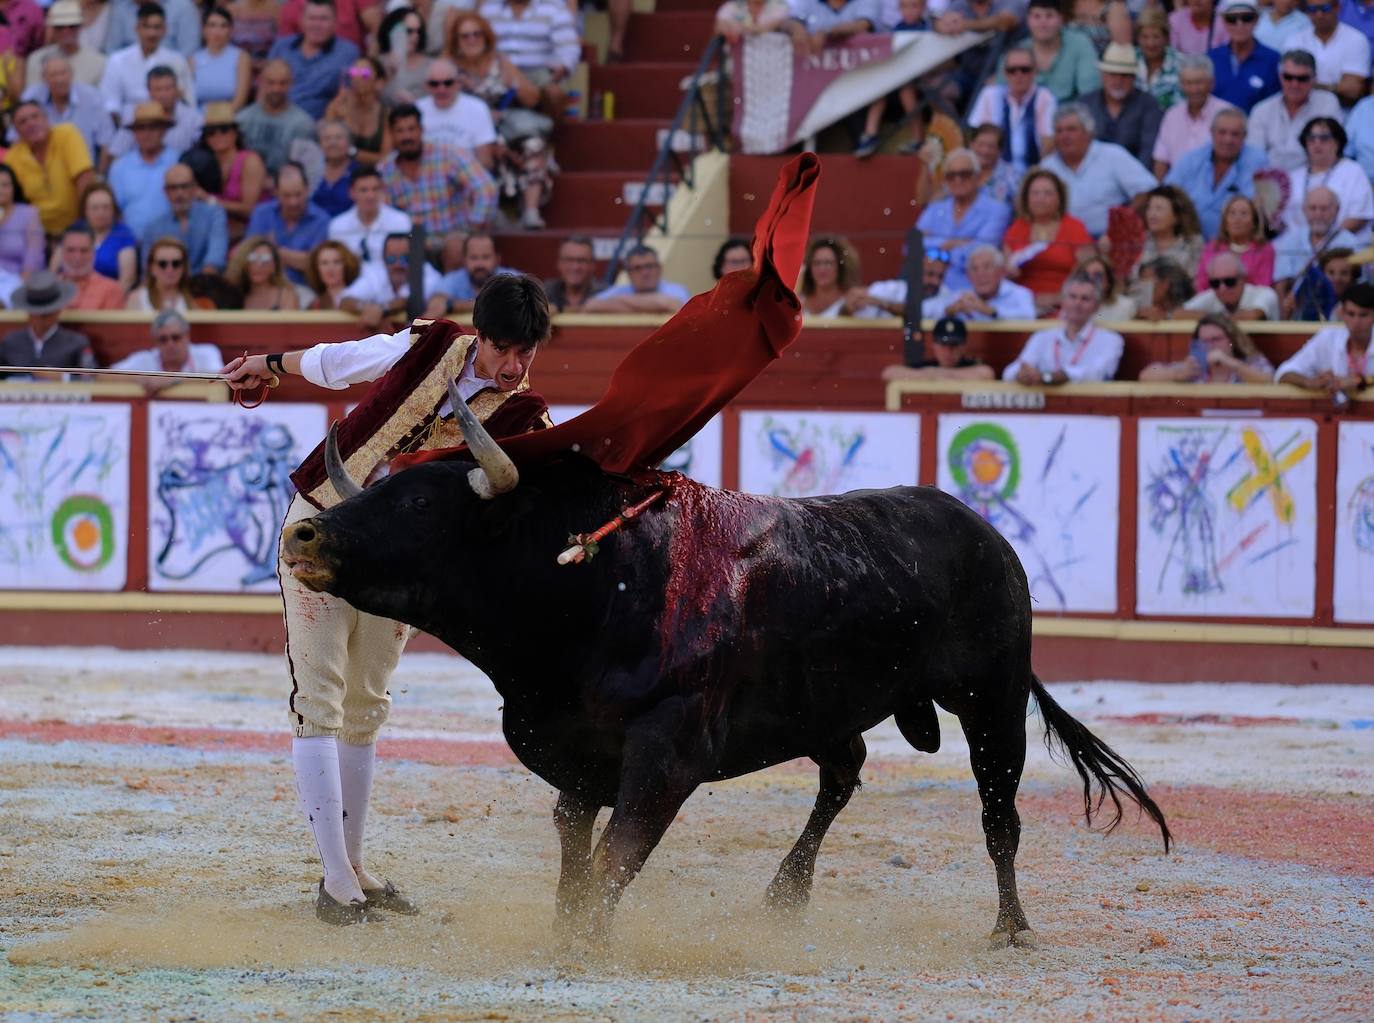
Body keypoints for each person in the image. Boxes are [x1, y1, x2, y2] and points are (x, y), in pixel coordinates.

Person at [220, 273, 552, 926]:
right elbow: (347, 360)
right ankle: (337, 880)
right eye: (503, 349)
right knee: (318, 694)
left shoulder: (525, 418)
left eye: (527, 354)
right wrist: (268, 364)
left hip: (401, 562)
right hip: (323, 525)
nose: (513, 366)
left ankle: (354, 866)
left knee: (365, 703)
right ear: (477, 335)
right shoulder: (433, 343)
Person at [448, 12, 555, 231]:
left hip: (504, 124)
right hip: (468, 130)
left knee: (532, 144)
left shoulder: (499, 61)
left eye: (477, 34)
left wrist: (515, 85)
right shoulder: (449, 67)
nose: (471, 40)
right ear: (456, 41)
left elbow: (533, 97)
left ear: (486, 37)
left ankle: (531, 210)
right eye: (465, 36)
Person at [379, 104, 497, 239]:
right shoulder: (385, 170)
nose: (407, 136)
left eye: (411, 129)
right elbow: (383, 213)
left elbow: (486, 188)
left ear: (422, 130)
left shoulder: (448, 154)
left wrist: (473, 227)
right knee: (407, 249)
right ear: (391, 134)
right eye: (400, 131)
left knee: (455, 246)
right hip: (412, 239)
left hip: (452, 234)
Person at [1039, 104, 1156, 237]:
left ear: (1089, 133)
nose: (1064, 136)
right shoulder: (1048, 166)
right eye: (1059, 131)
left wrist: (1122, 224)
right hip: (1064, 240)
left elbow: (1147, 190)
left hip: (1111, 239)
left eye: (1071, 130)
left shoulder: (1113, 155)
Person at [1002, 271, 1125, 383]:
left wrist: (1049, 377)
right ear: (1063, 301)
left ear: (1096, 307)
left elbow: (1096, 373)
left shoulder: (1111, 340)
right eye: (1072, 297)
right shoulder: (1042, 336)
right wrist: (1021, 374)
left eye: (1085, 299)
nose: (1077, 303)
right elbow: (1010, 372)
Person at [917, 148, 1011, 293]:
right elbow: (912, 246)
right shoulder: (935, 209)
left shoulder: (998, 210)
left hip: (972, 290)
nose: (958, 180)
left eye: (965, 174)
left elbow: (982, 251)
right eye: (951, 175)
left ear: (978, 177)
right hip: (930, 288)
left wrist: (935, 250)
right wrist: (954, 244)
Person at [1164, 107, 1268, 239]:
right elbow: (1167, 196)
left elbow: (1260, 210)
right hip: (1189, 241)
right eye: (1222, 133)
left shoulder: (1259, 162)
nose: (1228, 140)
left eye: (1235, 134)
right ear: (1211, 133)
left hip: (1236, 244)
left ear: (1245, 136)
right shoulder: (1191, 159)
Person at [1002, 167, 1095, 308]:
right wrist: (1008, 272)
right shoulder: (1016, 228)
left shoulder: (1075, 227)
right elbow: (1002, 275)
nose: (1041, 198)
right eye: (1035, 193)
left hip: (1066, 304)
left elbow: (1090, 273)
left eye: (1048, 194)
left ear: (1059, 198)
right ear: (1026, 198)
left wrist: (1059, 298)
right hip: (1022, 305)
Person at [3, 99, 95, 237]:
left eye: (35, 116)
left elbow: (85, 178)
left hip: (78, 225)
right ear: (16, 131)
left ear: (47, 119)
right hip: (36, 235)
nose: (31, 124)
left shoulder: (67, 134)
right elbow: (11, 201)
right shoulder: (13, 157)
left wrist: (81, 224)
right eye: (23, 122)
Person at [967, 46, 1058, 180]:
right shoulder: (990, 96)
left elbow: (1048, 144)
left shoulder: (1045, 98)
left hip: (1033, 172)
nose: (1018, 75)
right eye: (1012, 70)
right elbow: (976, 140)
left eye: (1025, 70)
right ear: (1004, 73)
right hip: (994, 173)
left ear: (1035, 71)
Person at [100, 2, 195, 127]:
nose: (151, 33)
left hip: (170, 125)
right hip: (128, 126)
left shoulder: (177, 60)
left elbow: (188, 102)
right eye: (146, 27)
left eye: (156, 27)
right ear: (136, 28)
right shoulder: (117, 61)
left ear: (164, 30)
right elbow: (110, 103)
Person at [1247, 49, 1343, 171]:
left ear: (1314, 79)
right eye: (1288, 77)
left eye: (1302, 78)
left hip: (1314, 177)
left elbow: (1331, 149)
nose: (1294, 84)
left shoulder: (1327, 103)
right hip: (1270, 181)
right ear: (1280, 77)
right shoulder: (1262, 110)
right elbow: (1254, 157)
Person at [1274, 280, 1374, 396]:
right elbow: (1283, 373)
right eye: (1351, 314)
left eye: (1363, 315)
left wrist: (1359, 381)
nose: (1356, 322)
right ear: (1342, 313)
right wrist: (1309, 382)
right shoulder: (1328, 338)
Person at [477, 0, 579, 113]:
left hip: (539, 73)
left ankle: (548, 127)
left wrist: (563, 67)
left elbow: (568, 47)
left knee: (554, 92)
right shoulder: (489, 9)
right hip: (500, 72)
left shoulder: (553, 9)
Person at [267, 0, 361, 120]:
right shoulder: (282, 47)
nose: (317, 24)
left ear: (335, 23)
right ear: (302, 21)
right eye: (312, 18)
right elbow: (264, 87)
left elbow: (361, 81)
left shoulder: (348, 52)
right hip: (276, 118)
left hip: (321, 123)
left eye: (323, 19)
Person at [1151, 54, 1237, 178]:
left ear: (1211, 83)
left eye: (1199, 82)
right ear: (1180, 84)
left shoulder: (1228, 114)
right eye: (1188, 83)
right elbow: (1161, 161)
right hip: (1177, 190)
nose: (1194, 89)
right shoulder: (1172, 115)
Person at [1287, 116, 1374, 239]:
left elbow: (1359, 217)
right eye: (1311, 139)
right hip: (1299, 248)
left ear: (1337, 143)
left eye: (1324, 138)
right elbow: (1286, 222)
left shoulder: (1353, 171)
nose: (1317, 143)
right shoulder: (1293, 177)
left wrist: (1325, 242)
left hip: (1345, 248)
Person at [339, 230, 448, 327]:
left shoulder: (429, 274)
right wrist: (364, 308)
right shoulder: (376, 272)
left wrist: (382, 310)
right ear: (384, 260)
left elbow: (409, 300)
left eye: (406, 258)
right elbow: (345, 300)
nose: (398, 265)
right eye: (391, 259)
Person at [245, 162, 330, 285]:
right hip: (263, 284)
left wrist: (275, 251)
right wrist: (297, 258)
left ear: (307, 190)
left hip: (302, 288)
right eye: (286, 196)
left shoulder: (322, 220)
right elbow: (250, 254)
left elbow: (314, 264)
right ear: (276, 193)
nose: (293, 202)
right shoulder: (262, 213)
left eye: (298, 194)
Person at [21, 52, 114, 163]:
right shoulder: (31, 97)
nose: (59, 80)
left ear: (72, 74)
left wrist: (99, 176)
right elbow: (15, 138)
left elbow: (106, 141)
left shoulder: (92, 97)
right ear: (44, 78)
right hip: (42, 171)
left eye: (63, 73)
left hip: (84, 170)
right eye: (53, 75)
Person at [107, 100, 180, 240]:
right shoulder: (120, 168)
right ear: (134, 133)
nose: (147, 134)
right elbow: (114, 211)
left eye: (153, 128)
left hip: (172, 244)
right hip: (131, 243)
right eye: (141, 128)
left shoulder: (178, 161)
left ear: (163, 130)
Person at [1274, 185, 1359, 304]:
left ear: (1337, 210)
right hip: (1297, 308)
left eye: (1324, 209)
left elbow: (1357, 284)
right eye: (1313, 208)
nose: (1318, 214)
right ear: (1304, 210)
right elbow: (1281, 282)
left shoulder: (1351, 242)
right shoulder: (1290, 240)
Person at [104, 64, 204, 165]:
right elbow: (117, 153)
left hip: (180, 172)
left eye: (167, 88)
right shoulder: (135, 115)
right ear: (149, 92)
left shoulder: (194, 118)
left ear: (177, 90)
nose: (163, 95)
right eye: (158, 89)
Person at [0, 271, 94, 378]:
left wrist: (62, 378)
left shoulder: (76, 343)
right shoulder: (11, 342)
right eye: (36, 314)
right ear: (29, 313)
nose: (40, 320)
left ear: (57, 312)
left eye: (46, 314)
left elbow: (90, 379)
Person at [1082, 43, 1162, 166]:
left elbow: (1148, 149)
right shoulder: (1085, 104)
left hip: (1134, 175)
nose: (1118, 81)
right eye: (1112, 74)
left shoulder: (1148, 105)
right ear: (1103, 75)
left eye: (1125, 76)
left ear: (1134, 78)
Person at [193, 101, 266, 236]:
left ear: (235, 133)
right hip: (215, 231)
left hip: (248, 232)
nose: (218, 135)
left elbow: (250, 209)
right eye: (211, 132)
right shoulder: (204, 163)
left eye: (224, 129)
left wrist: (209, 200)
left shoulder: (250, 161)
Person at [142, 162, 228, 274]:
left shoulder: (214, 214)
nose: (180, 193)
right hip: (168, 287)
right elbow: (148, 270)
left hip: (205, 284)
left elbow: (214, 261)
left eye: (185, 186)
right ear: (165, 192)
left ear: (195, 187)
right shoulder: (154, 227)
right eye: (173, 188)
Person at [235, 58, 317, 175]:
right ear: (260, 82)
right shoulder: (243, 119)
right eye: (271, 83)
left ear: (291, 84)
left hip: (286, 187)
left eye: (282, 83)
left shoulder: (303, 124)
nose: (276, 89)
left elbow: (304, 170)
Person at [1139, 311, 1275, 381]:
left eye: (1216, 339)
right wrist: (1177, 373)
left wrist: (1229, 363)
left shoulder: (1250, 362)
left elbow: (1269, 379)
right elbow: (1146, 374)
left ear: (1231, 340)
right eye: (1204, 341)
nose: (1210, 346)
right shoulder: (1194, 368)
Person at [110, 308, 223, 391]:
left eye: (176, 337)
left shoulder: (207, 352)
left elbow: (220, 378)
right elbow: (105, 374)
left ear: (187, 336)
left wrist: (173, 379)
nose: (170, 344)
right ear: (155, 342)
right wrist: (140, 379)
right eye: (163, 339)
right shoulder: (145, 359)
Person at [415, 56, 496, 163]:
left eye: (448, 83)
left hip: (466, 175)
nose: (441, 89)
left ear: (458, 84)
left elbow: (485, 160)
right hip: (427, 175)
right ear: (426, 86)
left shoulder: (477, 109)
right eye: (434, 84)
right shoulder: (416, 109)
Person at [1288, 0, 1369, 105]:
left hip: (1342, 113)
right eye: (1313, 10)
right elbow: (1288, 85)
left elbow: (1352, 91)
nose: (1319, 14)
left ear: (1337, 8)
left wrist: (1306, 84)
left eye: (1325, 8)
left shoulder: (1356, 39)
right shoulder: (1294, 40)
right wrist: (1335, 87)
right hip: (1300, 109)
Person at [923, 245, 1036, 320]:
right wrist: (950, 310)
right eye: (974, 269)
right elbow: (924, 310)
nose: (980, 274)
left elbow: (1028, 316)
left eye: (987, 267)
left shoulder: (1020, 294)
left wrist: (989, 310)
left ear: (1001, 272)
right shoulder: (963, 297)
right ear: (968, 276)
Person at [328, 165, 410, 266]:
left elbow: (409, 262)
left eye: (375, 189)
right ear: (352, 193)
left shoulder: (401, 222)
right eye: (363, 190)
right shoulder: (337, 226)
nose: (370, 196)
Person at [1208, 0, 1280, 112]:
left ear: (1256, 20)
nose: (1239, 24)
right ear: (1224, 22)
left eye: (1246, 18)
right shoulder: (1211, 58)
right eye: (1232, 19)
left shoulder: (1273, 60)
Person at [1024, 0, 1100, 102]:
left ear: (1061, 19)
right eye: (1037, 16)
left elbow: (1090, 92)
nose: (1043, 22)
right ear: (1027, 20)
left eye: (1049, 16)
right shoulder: (1018, 51)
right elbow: (1001, 91)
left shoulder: (1080, 44)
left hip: (1072, 113)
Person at [880, 316, 996, 382]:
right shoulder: (925, 365)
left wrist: (932, 374)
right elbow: (888, 373)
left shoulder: (971, 365)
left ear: (964, 346)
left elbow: (987, 374)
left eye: (954, 345)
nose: (948, 351)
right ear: (934, 345)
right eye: (943, 345)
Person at [322, 56, 392, 166]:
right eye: (354, 72)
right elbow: (325, 146)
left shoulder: (386, 115)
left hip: (373, 177)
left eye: (365, 74)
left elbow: (386, 159)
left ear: (379, 82)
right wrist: (338, 120)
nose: (357, 78)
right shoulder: (337, 106)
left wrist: (350, 151)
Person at [584, 242, 691, 313]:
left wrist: (620, 300)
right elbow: (590, 306)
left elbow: (674, 305)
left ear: (659, 269)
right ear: (629, 273)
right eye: (637, 268)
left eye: (649, 266)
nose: (644, 272)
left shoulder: (676, 290)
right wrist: (656, 305)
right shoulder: (621, 290)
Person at [1196, 194, 1275, 288]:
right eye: (1232, 213)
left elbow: (1263, 286)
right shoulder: (1212, 247)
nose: (1237, 219)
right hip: (1214, 299)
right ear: (1225, 222)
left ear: (1254, 223)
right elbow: (1201, 284)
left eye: (1244, 213)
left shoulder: (1264, 249)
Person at [74, 182, 139, 292]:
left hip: (110, 301)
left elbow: (127, 279)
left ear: (113, 210)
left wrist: (107, 301)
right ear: (85, 211)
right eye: (95, 208)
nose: (101, 213)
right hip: (74, 299)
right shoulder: (74, 232)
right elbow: (55, 270)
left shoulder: (124, 235)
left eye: (106, 207)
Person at [1133, 185, 1205, 281]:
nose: (1152, 214)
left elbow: (1197, 281)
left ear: (1176, 217)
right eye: (1149, 208)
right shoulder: (1137, 241)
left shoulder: (1193, 244)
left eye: (1159, 209)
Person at [27, 0, 106, 87]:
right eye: (60, 27)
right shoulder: (36, 60)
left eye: (72, 26)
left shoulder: (99, 63)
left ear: (80, 27)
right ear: (52, 29)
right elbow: (32, 97)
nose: (66, 31)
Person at [1183, 251, 1282, 319]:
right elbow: (1179, 314)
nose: (1222, 288)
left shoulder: (1265, 293)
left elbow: (1253, 316)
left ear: (1243, 279)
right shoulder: (1212, 295)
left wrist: (1213, 319)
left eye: (1229, 282)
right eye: (1215, 283)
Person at [191, 6, 251, 110]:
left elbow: (241, 99)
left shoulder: (241, 58)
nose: (217, 31)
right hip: (198, 118)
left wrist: (222, 117)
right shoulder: (193, 60)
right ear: (204, 29)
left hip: (230, 117)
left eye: (223, 26)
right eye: (212, 25)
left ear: (231, 30)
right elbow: (189, 98)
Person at [438, 232, 516, 311]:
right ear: (464, 259)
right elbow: (436, 304)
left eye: (486, 257)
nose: (479, 264)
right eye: (473, 257)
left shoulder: (511, 279)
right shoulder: (453, 279)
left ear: (497, 259)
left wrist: (452, 305)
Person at [55, 225, 126, 309]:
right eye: (71, 250)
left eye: (84, 251)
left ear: (94, 253)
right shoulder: (47, 289)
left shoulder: (111, 290)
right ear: (62, 253)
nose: (77, 257)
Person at [228, 235, 301, 310]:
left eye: (265, 259)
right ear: (242, 263)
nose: (258, 265)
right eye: (252, 258)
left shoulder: (286, 296)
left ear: (274, 266)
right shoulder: (233, 295)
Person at [126, 235, 199, 310]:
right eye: (162, 264)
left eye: (176, 263)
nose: (170, 269)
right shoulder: (137, 299)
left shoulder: (194, 299)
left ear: (184, 267)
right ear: (151, 267)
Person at [106, 0, 202, 56]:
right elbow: (112, 51)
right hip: (128, 73)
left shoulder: (183, 7)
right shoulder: (120, 7)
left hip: (169, 76)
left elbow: (188, 53)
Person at [795, 235, 859, 318]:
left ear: (840, 267)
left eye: (828, 263)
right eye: (817, 263)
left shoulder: (852, 301)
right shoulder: (798, 301)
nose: (822, 269)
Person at [277, 0, 382, 50]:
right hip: (306, 72)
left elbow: (377, 28)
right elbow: (286, 48)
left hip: (351, 67)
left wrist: (368, 66)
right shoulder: (291, 7)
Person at [377, 5, 430, 104]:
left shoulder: (431, 66)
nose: (415, 36)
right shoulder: (377, 63)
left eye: (418, 31)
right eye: (409, 31)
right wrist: (387, 75)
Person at [310, 120, 359, 218]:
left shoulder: (359, 173)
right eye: (327, 139)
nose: (333, 143)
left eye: (339, 138)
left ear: (349, 143)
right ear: (320, 144)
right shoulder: (310, 171)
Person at [1136, 7, 1182, 108]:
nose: (1150, 43)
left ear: (1166, 38)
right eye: (1145, 37)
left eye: (1156, 36)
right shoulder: (1129, 60)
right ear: (1138, 38)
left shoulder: (1181, 64)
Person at [969, 125, 1020, 208]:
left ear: (1000, 151)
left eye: (991, 146)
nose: (985, 151)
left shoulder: (1012, 177)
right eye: (981, 144)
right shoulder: (959, 170)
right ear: (971, 145)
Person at [1131, 256, 1196, 319]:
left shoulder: (1192, 306)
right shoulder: (1134, 307)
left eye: (1147, 284)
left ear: (1165, 283)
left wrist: (1166, 317)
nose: (1143, 289)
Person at [543, 234, 596, 311]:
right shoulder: (545, 290)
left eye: (581, 260)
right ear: (559, 263)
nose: (575, 267)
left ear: (592, 265)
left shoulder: (603, 292)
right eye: (569, 260)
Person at [304, 237, 361, 309]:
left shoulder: (362, 297)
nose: (330, 269)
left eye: (337, 262)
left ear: (347, 266)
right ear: (316, 269)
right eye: (324, 263)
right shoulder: (314, 306)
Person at [1079, 252, 1138, 319]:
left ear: (1109, 281)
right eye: (1085, 276)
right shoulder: (1072, 306)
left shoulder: (1126, 306)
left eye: (1097, 276)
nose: (1091, 280)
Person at [227, 0, 281, 68]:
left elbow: (281, 43)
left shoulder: (276, 9)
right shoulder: (232, 9)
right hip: (236, 65)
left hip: (267, 67)